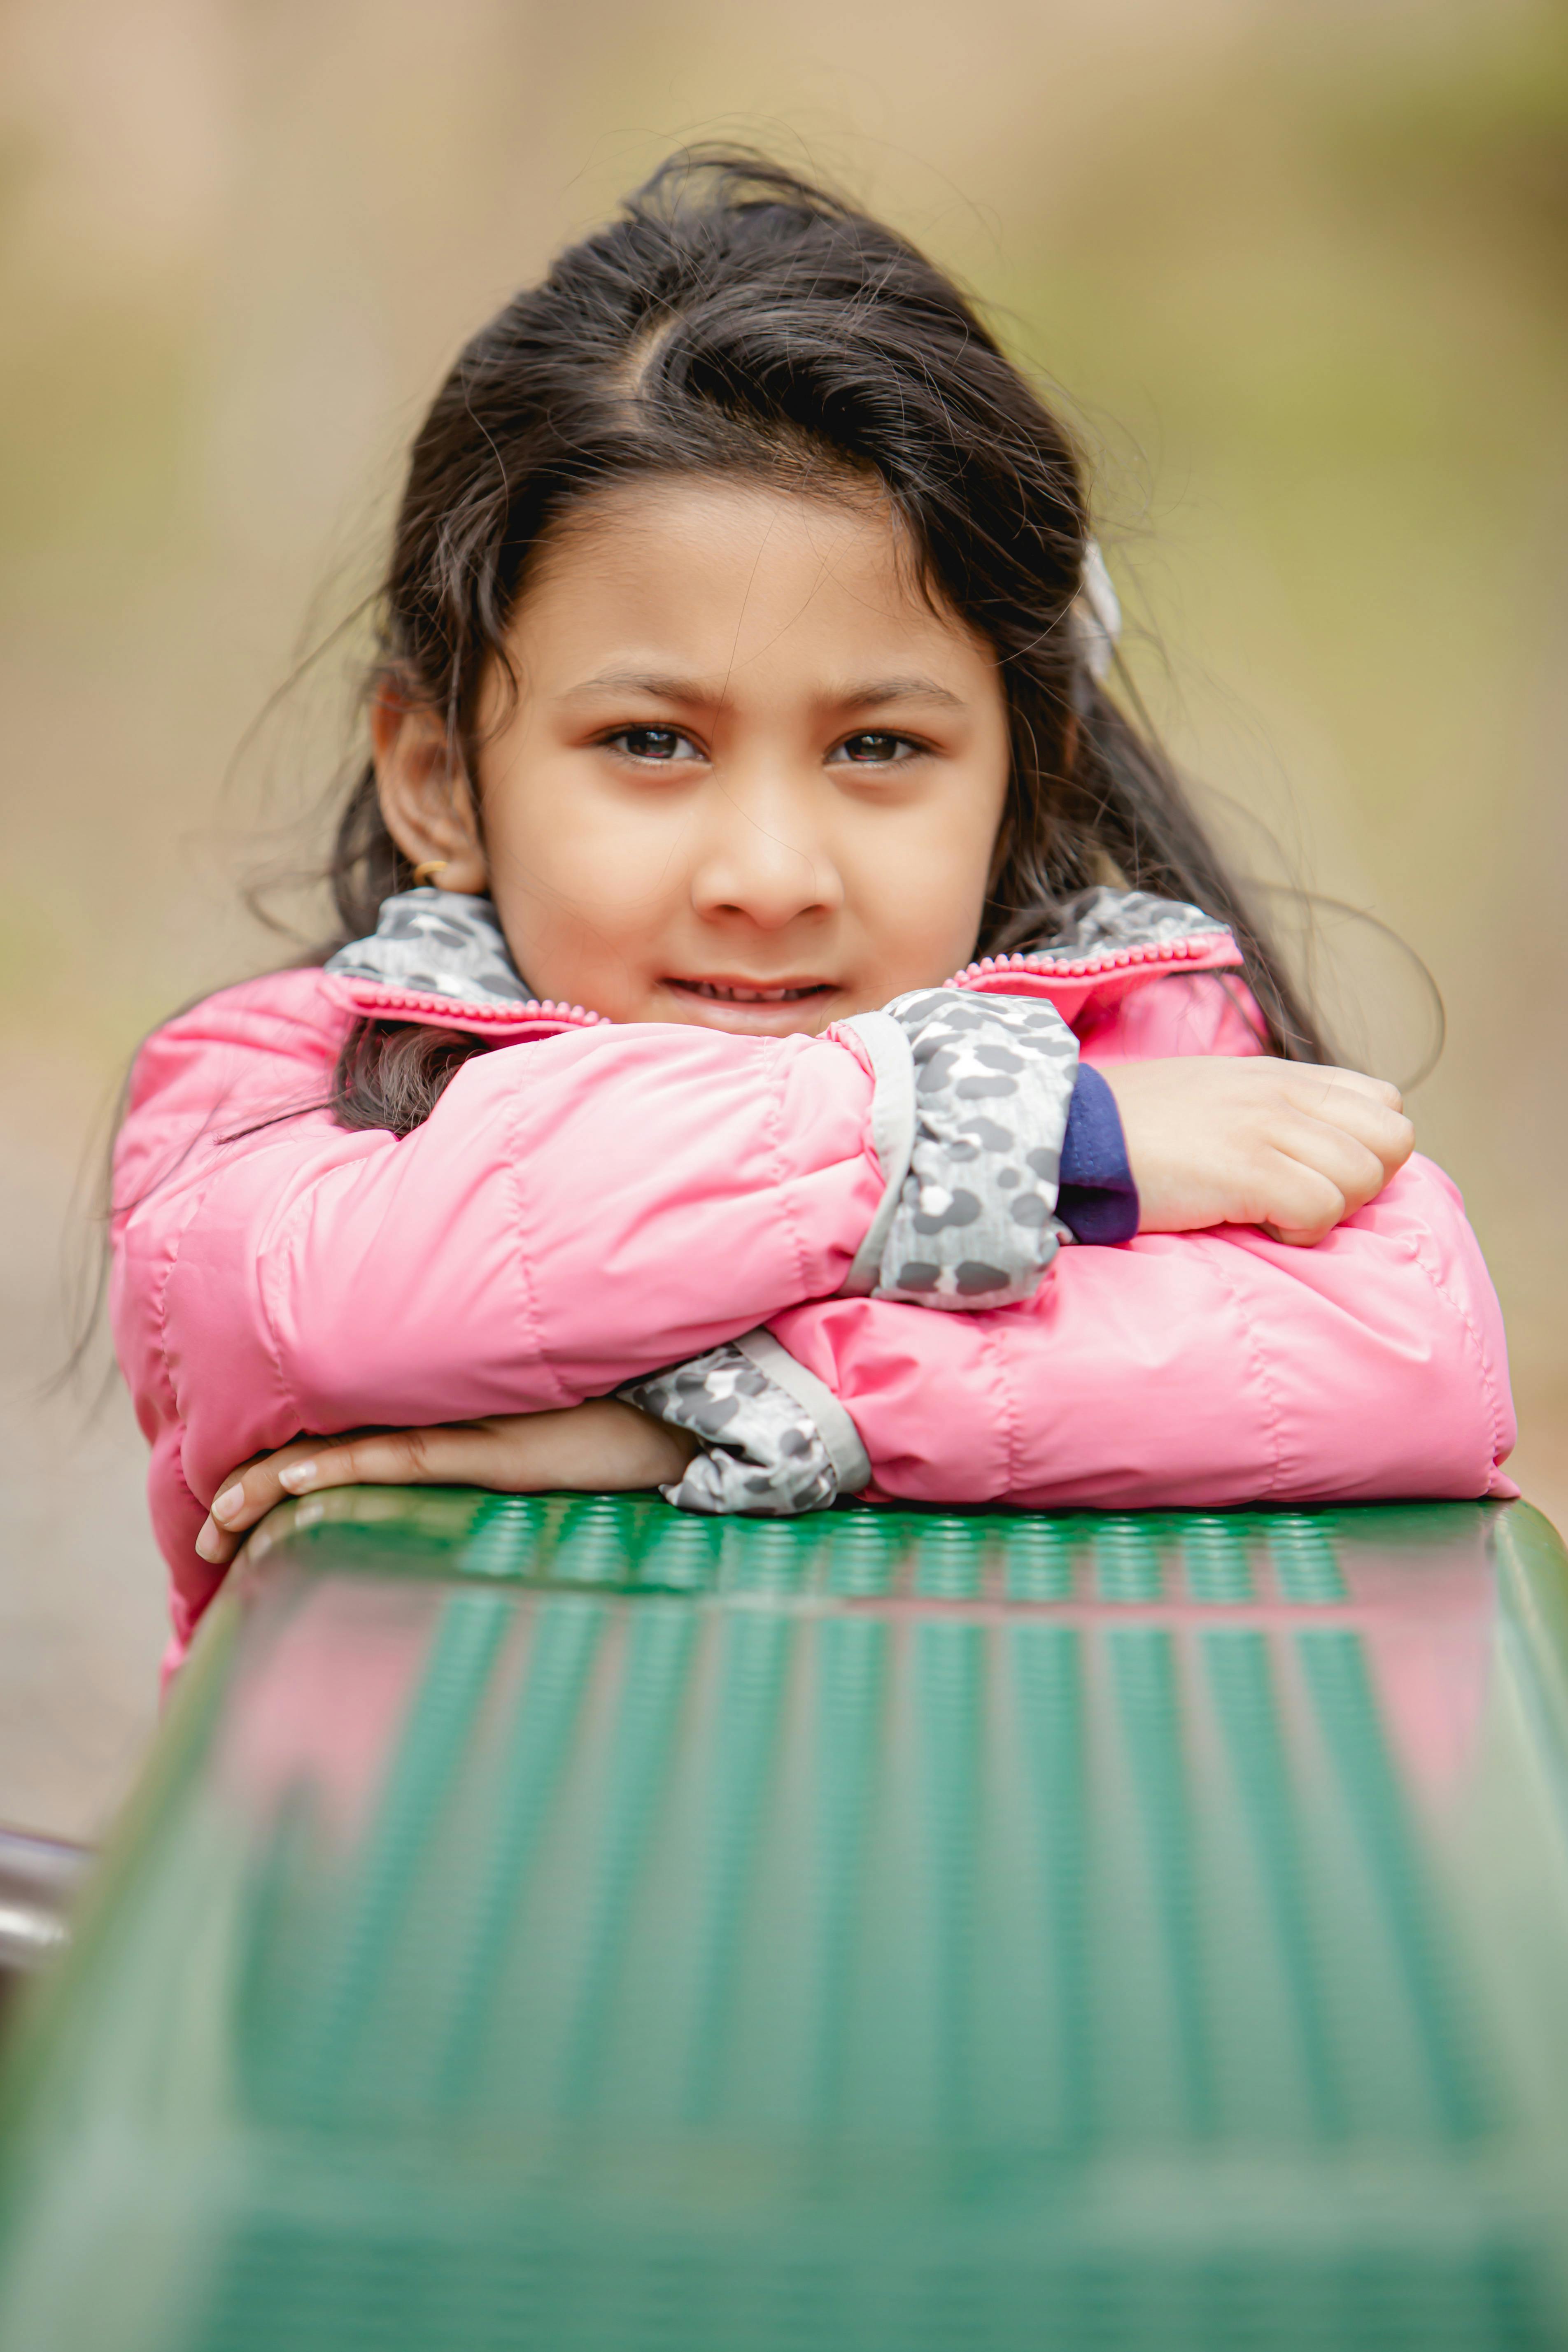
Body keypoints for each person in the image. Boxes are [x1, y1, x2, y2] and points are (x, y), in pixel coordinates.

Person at [110, 154, 1516, 1682]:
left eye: (877, 748)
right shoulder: (278, 1093)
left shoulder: (1140, 1036)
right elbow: (332, 1307)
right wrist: (1003, 1142)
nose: (770, 872)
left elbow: (1409, 1354)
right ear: (442, 777)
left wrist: (729, 1405)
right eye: (651, 741)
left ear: (1021, 770)